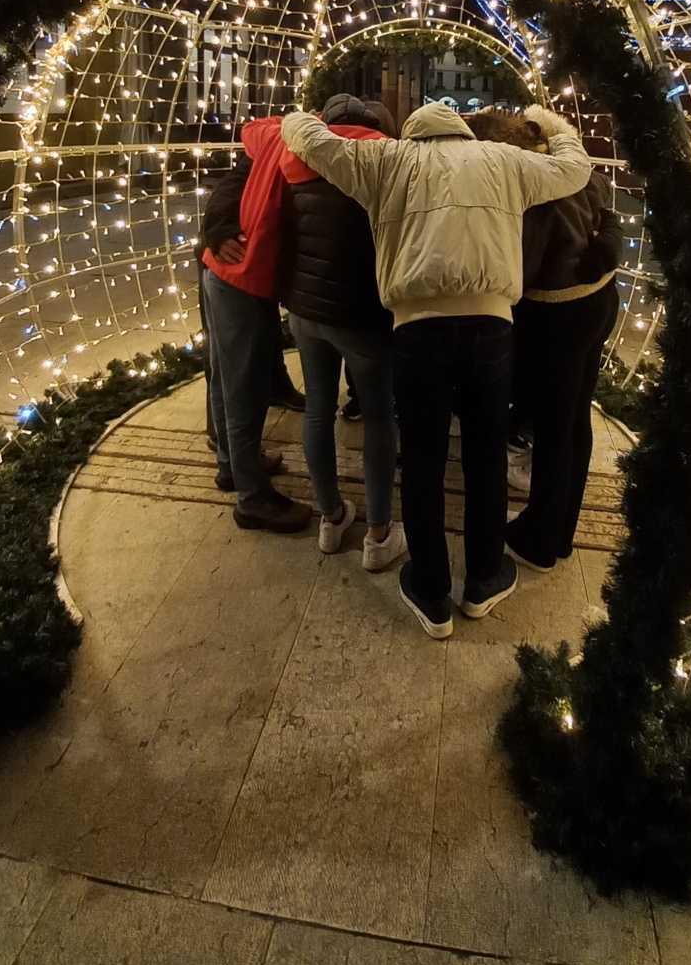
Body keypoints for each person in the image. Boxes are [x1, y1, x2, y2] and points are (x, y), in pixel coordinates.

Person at [281, 100, 591, 638]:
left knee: (422, 460)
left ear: (414, 131)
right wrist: (551, 122)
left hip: (416, 331)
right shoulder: (502, 161)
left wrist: (298, 114)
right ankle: (484, 579)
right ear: (460, 130)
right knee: (484, 456)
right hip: (491, 327)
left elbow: (311, 141)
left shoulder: (385, 162)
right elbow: (575, 168)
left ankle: (430, 591)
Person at [465, 110, 622, 572]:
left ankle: (540, 538)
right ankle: (561, 530)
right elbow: (607, 209)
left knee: (553, 427)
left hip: (557, 314)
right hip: (599, 300)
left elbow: (522, 272)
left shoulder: (530, 185)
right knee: (575, 420)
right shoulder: (571, 166)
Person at [280, 93, 406, 569]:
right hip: (363, 316)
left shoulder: (296, 164)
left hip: (306, 310)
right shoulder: (385, 165)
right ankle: (378, 534)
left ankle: (330, 519)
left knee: (318, 408)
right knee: (378, 417)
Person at [199, 120, 312, 532]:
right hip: (241, 279)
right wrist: (219, 230)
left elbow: (226, 189)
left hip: (223, 273)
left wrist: (217, 230)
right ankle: (252, 498)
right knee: (242, 388)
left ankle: (232, 466)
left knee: (225, 377)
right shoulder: (306, 151)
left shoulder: (268, 142)